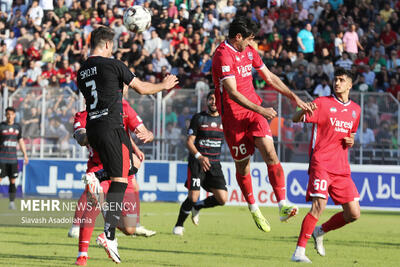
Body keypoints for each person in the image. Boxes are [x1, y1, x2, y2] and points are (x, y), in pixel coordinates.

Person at [77, 26, 178, 263]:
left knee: (127, 169)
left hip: (93, 128)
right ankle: (109, 235)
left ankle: (98, 177)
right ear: (108, 45)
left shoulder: (81, 72)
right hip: (113, 126)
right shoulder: (113, 65)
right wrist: (164, 85)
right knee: (121, 180)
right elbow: (142, 88)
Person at [211, 17, 312, 232]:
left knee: (270, 152)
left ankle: (283, 204)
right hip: (233, 119)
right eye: (248, 39)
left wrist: (294, 97)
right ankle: (254, 207)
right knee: (243, 166)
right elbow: (232, 92)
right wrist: (263, 110)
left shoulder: (249, 52)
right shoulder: (222, 55)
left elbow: (269, 77)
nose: (251, 43)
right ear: (238, 37)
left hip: (254, 113)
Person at [70, 97, 155, 266]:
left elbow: (134, 131)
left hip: (123, 170)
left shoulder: (122, 107)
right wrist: (96, 133)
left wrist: (147, 136)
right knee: (93, 204)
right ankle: (82, 255)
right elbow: (81, 138)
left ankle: (106, 232)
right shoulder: (82, 116)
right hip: (98, 167)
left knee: (130, 229)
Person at [291, 68, 361, 263]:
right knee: (319, 205)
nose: (337, 83)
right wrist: (301, 110)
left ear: (350, 84)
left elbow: (351, 133)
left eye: (341, 80)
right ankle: (299, 251)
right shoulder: (322, 103)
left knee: (354, 213)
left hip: (342, 168)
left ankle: (320, 231)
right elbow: (295, 119)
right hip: (321, 163)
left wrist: (351, 141)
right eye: (335, 79)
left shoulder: (356, 110)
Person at [172, 91, 227, 236]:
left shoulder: (225, 120)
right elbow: (189, 142)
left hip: (214, 163)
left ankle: (198, 206)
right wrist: (200, 157)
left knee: (222, 199)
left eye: (216, 100)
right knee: (193, 196)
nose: (213, 102)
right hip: (198, 161)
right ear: (206, 101)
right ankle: (179, 225)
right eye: (211, 99)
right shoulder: (199, 118)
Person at [0, 107, 29, 209]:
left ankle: (11, 202)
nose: (9, 116)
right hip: (1, 158)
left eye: (11, 114)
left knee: (13, 181)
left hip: (13, 159)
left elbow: (20, 141)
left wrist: (25, 154)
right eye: (8, 114)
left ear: (14, 115)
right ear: (5, 115)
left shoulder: (17, 127)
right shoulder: (1, 126)